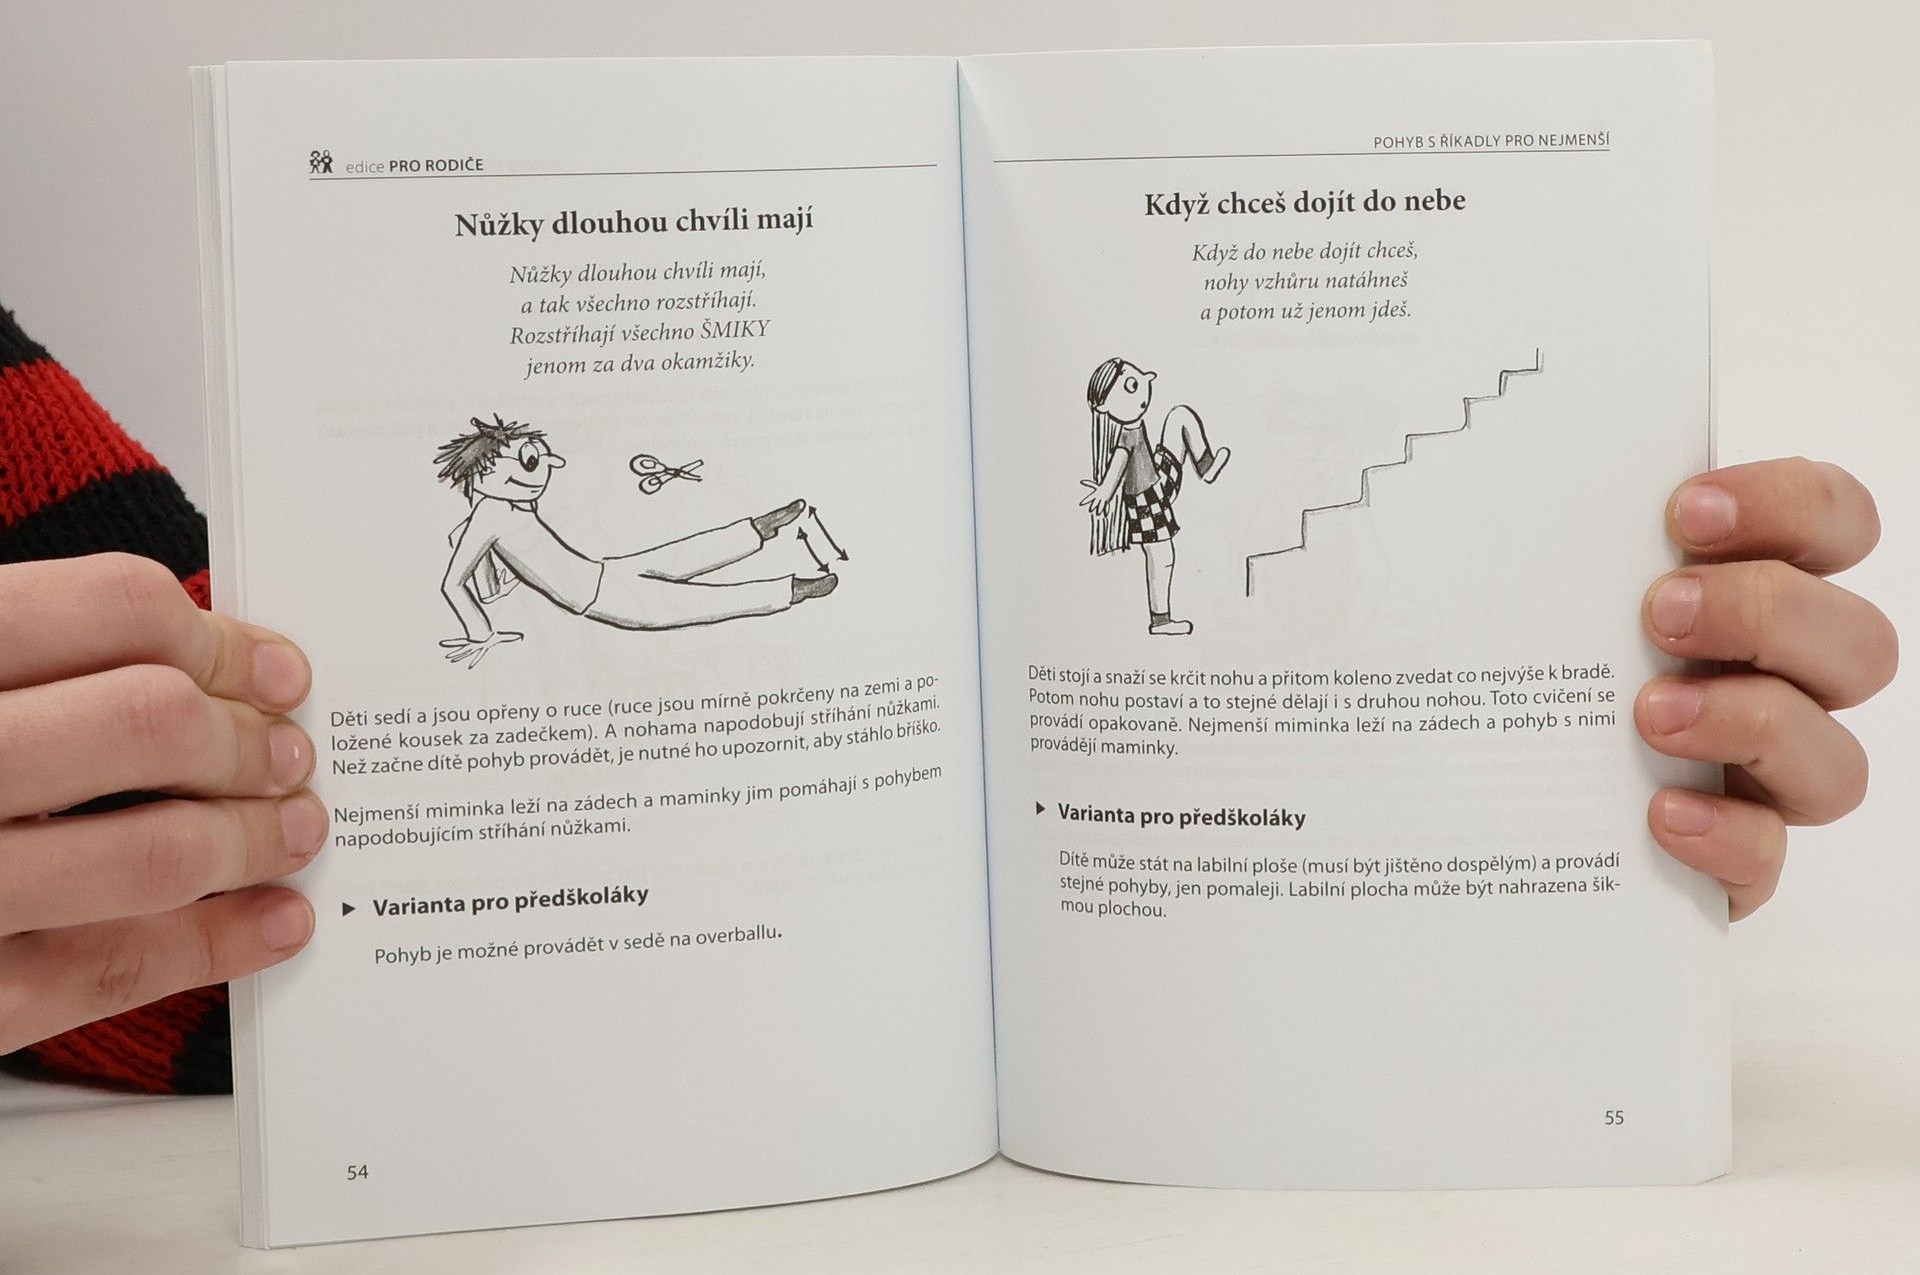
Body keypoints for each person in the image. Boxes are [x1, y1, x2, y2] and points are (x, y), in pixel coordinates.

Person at [0, 306, 1900, 1081]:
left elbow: (170, 817)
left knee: (695, 571)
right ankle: (798, 552)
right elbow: (201, 866)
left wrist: (1484, 791)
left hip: (562, 747)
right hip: (594, 697)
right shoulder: (504, 529)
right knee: (686, 584)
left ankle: (797, 546)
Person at [435, 414, 833, 666]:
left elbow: (484, 571)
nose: (549, 466)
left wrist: (495, 582)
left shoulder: (497, 507)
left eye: (541, 456)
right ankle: (790, 589)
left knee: (681, 557)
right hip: (600, 598)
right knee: (701, 602)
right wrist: (481, 634)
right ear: (487, 472)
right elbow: (452, 583)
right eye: (531, 460)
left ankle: (761, 528)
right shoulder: (492, 512)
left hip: (602, 574)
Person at [1082, 357, 1231, 635]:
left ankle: (1206, 466)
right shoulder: (1126, 437)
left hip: (1159, 481)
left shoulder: (1133, 428)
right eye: (1131, 386)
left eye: (1141, 381)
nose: (1142, 391)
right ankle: (1160, 620)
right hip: (1147, 502)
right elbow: (1118, 464)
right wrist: (1104, 491)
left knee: (1180, 416)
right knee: (1162, 555)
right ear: (1104, 407)